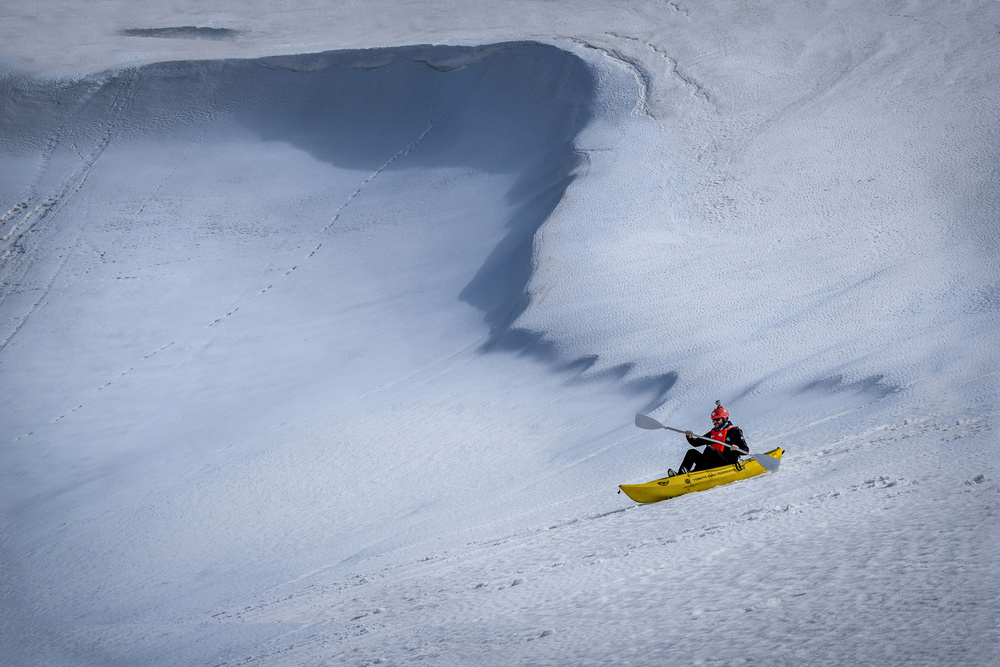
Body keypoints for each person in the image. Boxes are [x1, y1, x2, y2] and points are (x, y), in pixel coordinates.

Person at [667, 401, 749, 476]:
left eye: (717, 420)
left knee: (709, 449)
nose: (715, 422)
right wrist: (689, 437)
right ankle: (680, 475)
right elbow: (696, 443)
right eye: (713, 420)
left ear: (725, 418)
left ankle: (695, 473)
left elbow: (745, 450)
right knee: (691, 452)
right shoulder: (713, 432)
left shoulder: (734, 431)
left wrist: (737, 448)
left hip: (726, 463)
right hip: (711, 463)